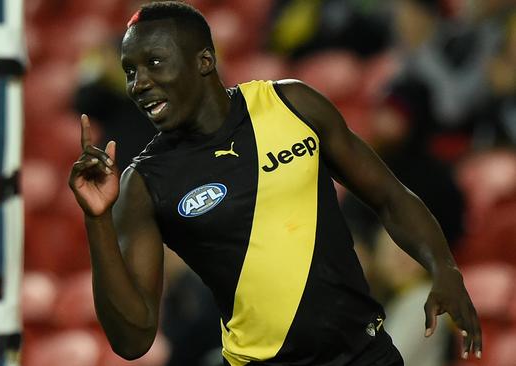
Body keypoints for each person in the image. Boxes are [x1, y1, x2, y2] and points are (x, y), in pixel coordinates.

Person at [68, 2, 482, 365]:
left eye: (153, 63)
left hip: (367, 355)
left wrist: (444, 267)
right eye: (129, 71)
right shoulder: (143, 183)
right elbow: (133, 340)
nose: (138, 83)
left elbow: (390, 198)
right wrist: (98, 220)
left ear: (204, 60)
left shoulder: (293, 104)